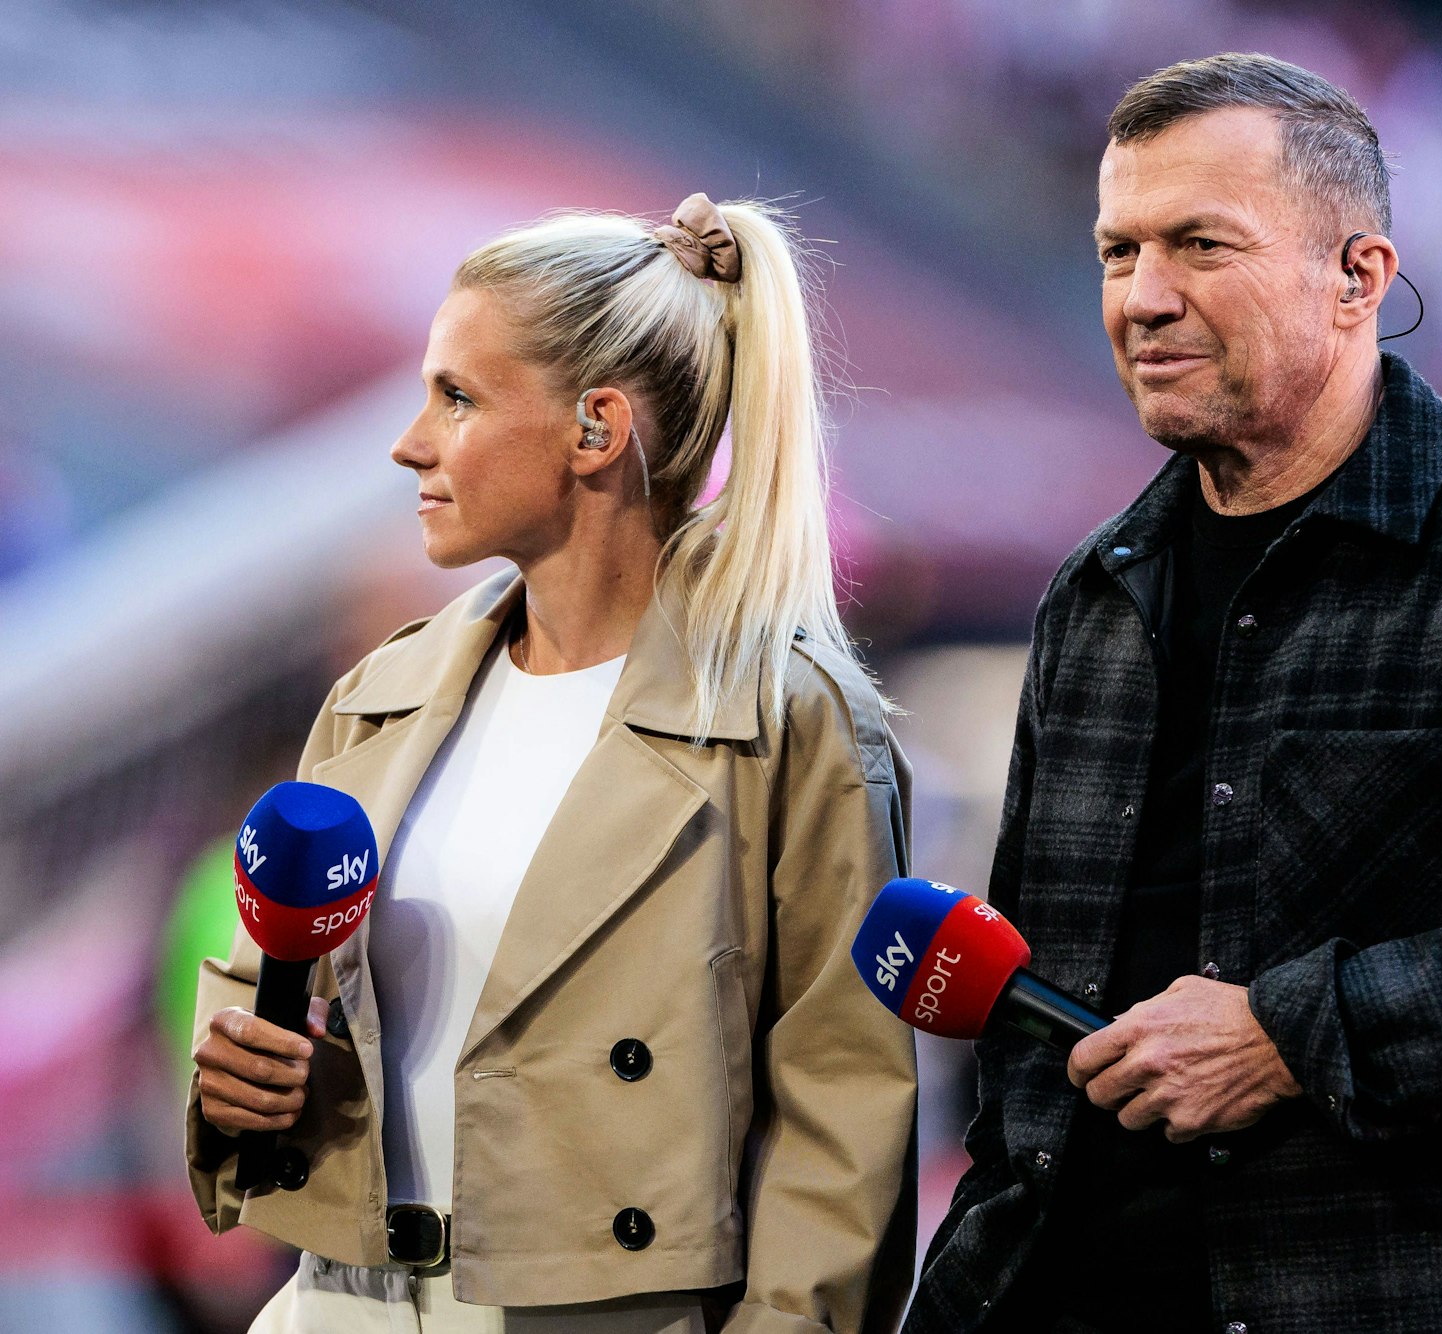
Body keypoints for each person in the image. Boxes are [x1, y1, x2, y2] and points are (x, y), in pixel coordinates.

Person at [907, 53, 1442, 1334]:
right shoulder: (1096, 592)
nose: (1143, 298)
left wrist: (1292, 1032)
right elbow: (1032, 1045)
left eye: (1199, 246)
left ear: (1360, 278)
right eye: (1118, 252)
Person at [185, 194, 918, 1333]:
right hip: (340, 1304)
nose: (408, 441)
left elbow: (842, 1113)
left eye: (457, 397)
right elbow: (279, 1002)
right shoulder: (379, 693)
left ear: (596, 429)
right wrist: (242, 1082)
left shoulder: (793, 724)